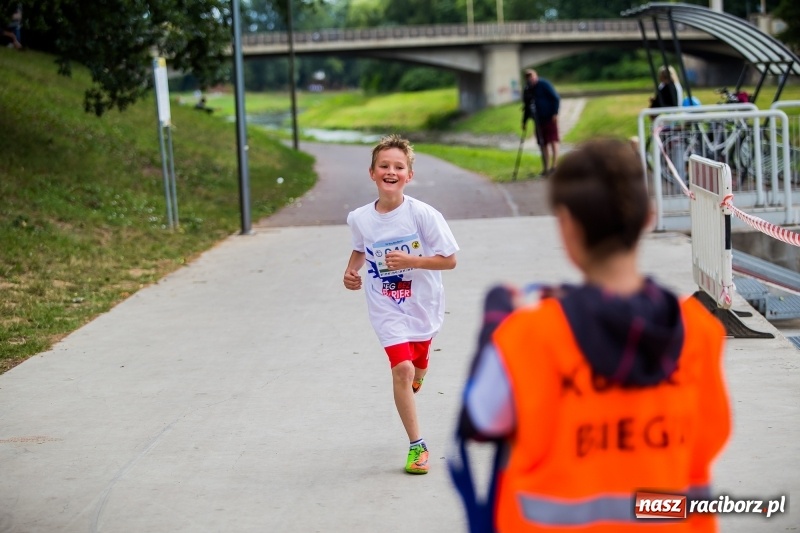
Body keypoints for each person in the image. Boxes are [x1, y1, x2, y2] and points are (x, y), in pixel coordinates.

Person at [455, 138, 730, 531]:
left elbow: (480, 421)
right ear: (648, 217)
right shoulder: (699, 330)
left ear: (567, 226)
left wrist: (494, 321)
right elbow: (711, 435)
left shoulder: (531, 332)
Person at [343, 134, 459, 475]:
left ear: (409, 175)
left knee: (419, 364)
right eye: (384, 166)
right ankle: (417, 446)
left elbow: (449, 260)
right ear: (372, 173)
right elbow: (360, 248)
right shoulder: (360, 218)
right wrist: (351, 271)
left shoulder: (424, 215)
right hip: (385, 306)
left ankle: (418, 373)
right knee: (402, 369)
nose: (390, 171)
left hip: (423, 305)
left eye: (398, 167)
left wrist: (413, 261)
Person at [522, 69, 561, 176]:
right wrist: (524, 121)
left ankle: (555, 166)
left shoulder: (544, 84)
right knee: (542, 143)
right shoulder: (528, 89)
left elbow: (556, 98)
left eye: (532, 76)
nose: (530, 79)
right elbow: (526, 106)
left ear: (536, 75)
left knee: (553, 140)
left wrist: (555, 113)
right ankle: (546, 168)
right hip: (538, 120)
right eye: (528, 77)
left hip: (549, 117)